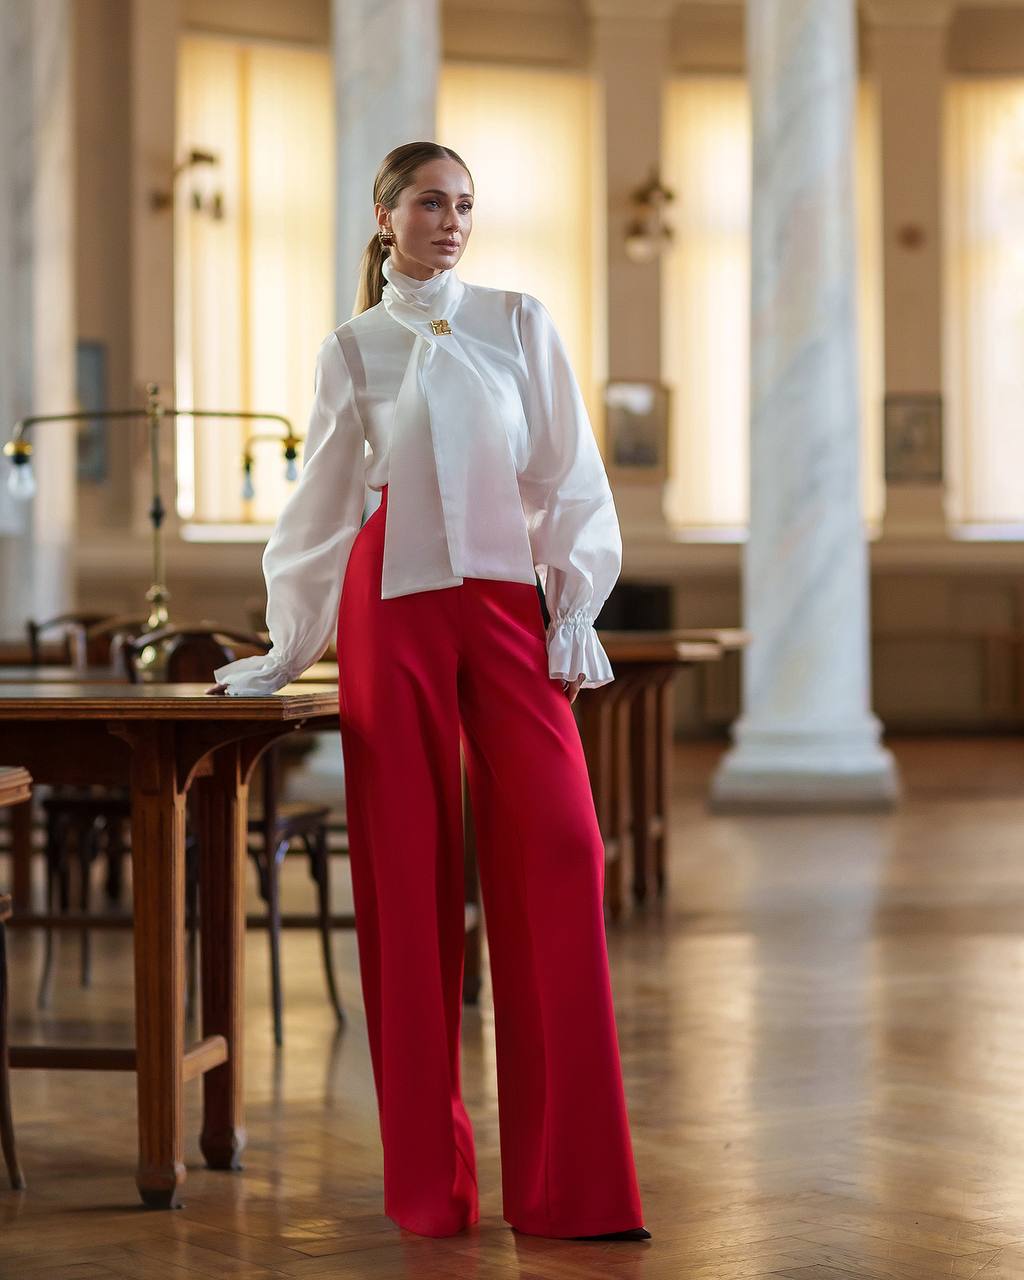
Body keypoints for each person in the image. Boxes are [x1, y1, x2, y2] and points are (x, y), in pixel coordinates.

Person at [207, 141, 649, 1244]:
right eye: (430, 202)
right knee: (404, 879)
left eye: (464, 204)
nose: (451, 220)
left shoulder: (518, 321)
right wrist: (289, 642)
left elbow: (569, 477)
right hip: (388, 606)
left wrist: (572, 610)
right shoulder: (351, 347)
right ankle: (430, 1191)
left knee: (563, 847)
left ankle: (570, 1188)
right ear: (385, 215)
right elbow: (321, 504)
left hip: (504, 608)